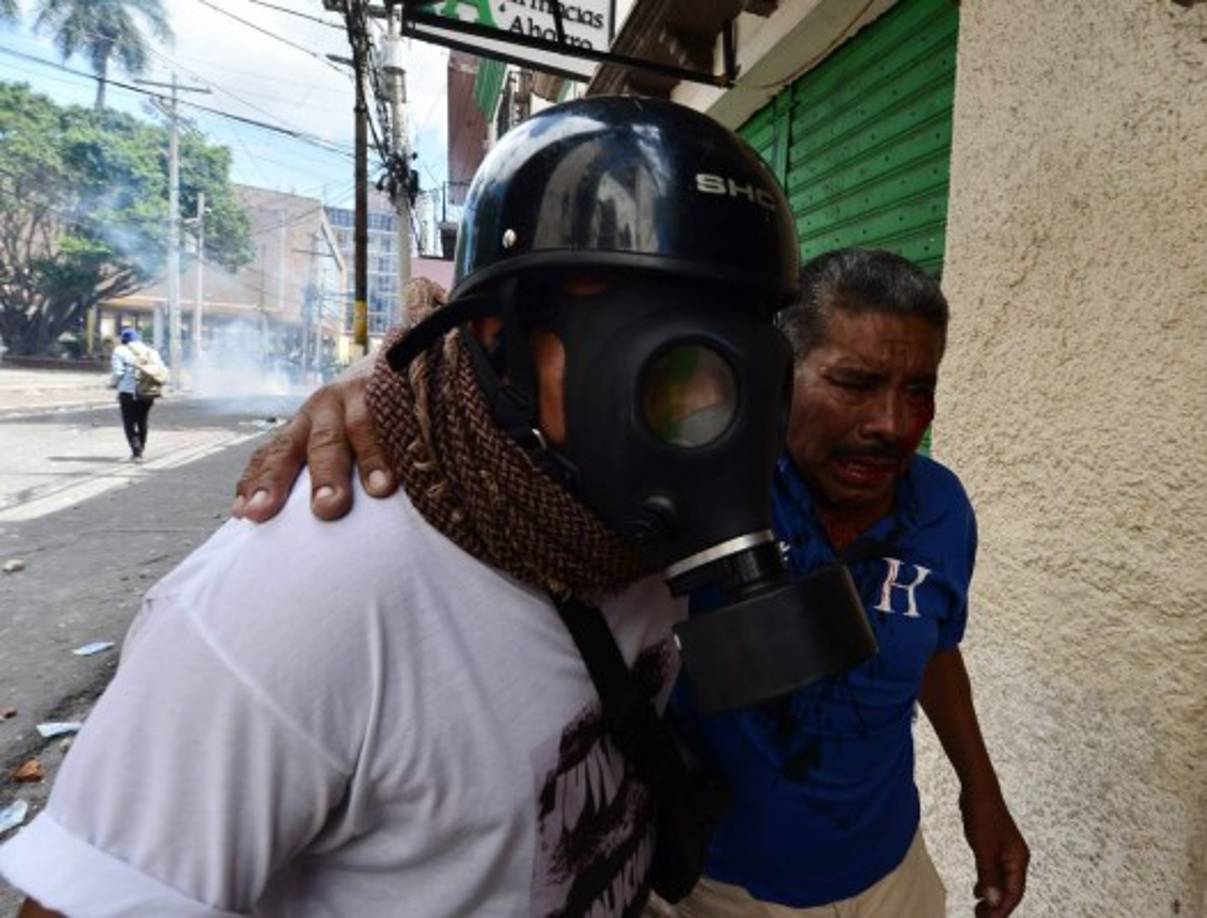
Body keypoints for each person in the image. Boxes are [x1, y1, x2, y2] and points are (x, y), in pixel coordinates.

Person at [0, 97, 805, 917]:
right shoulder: (295, 606)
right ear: (500, 339)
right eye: (670, 364)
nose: (711, 418)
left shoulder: (634, 536)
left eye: (749, 365)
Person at [233, 248, 1030, 917]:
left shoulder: (941, 509)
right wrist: (379, 378)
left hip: (892, 873)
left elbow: (934, 650)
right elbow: (510, 402)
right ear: (776, 375)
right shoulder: (693, 485)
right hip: (713, 886)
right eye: (854, 384)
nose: (891, 423)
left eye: (917, 388)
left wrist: (981, 794)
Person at [108, 328, 166, 462]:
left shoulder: (120, 350)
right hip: (147, 391)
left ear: (124, 340)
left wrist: (112, 384)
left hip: (127, 392)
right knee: (142, 420)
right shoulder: (152, 352)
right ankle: (141, 449)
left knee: (129, 422)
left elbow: (118, 373)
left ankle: (136, 451)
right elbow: (162, 370)